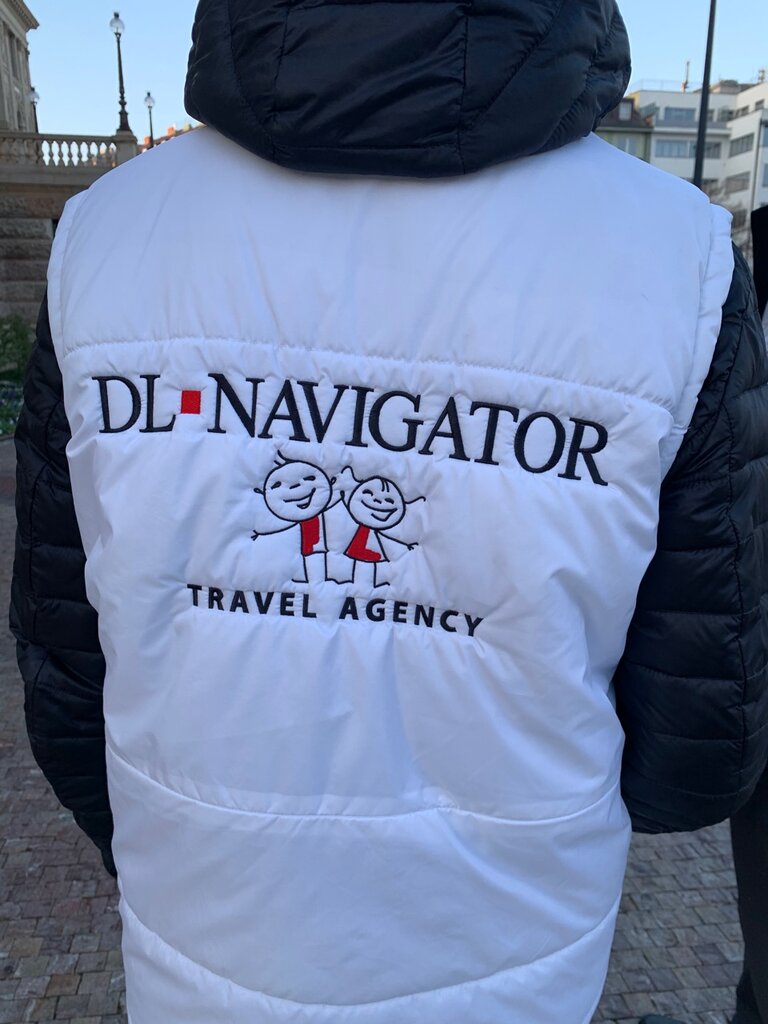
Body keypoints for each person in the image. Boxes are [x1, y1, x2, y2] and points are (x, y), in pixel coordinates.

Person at [10, 1, 768, 1022]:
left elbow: (65, 677)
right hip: (519, 956)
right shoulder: (679, 259)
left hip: (200, 940)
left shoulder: (104, 236)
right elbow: (702, 746)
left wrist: (177, 836)